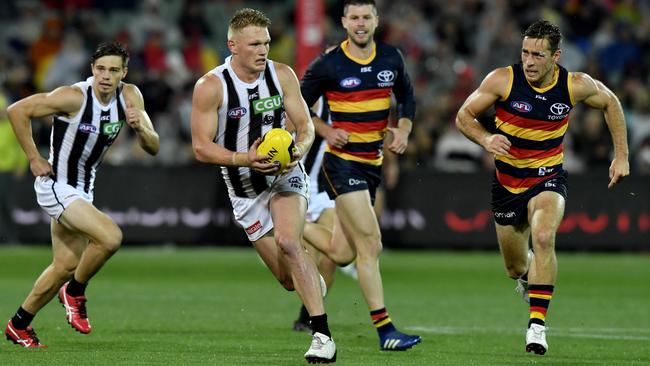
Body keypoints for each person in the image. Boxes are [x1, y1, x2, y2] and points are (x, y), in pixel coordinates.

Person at [455, 20, 629, 355]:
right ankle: (528, 275)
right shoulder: (502, 80)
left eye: (537, 54)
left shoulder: (574, 84)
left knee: (545, 235)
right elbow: (464, 115)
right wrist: (485, 137)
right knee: (515, 267)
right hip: (507, 185)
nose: (529, 61)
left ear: (556, 56)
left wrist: (621, 155)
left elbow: (611, 103)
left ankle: (537, 326)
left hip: (548, 177)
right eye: (525, 53)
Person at [190, 8, 336, 363]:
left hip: (285, 175)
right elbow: (200, 146)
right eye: (254, 43)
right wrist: (246, 159)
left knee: (288, 240)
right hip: (244, 188)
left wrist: (295, 152)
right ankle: (307, 271)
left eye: (267, 42)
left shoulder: (282, 75)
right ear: (232, 45)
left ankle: (322, 336)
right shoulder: (211, 86)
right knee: (290, 281)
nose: (263, 50)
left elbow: (306, 128)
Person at [4, 41, 160, 348]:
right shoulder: (73, 96)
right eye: (100, 69)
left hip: (82, 190)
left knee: (64, 265)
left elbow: (153, 146)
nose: (105, 75)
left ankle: (19, 325)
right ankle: (75, 292)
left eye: (113, 70)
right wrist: (34, 157)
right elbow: (17, 111)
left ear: (123, 73)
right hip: (56, 185)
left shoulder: (130, 97)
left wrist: (141, 128)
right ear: (92, 69)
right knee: (111, 237)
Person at [300, 0, 421, 351]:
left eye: (366, 16)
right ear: (343, 22)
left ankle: (283, 223)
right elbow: (296, 106)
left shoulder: (390, 57)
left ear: (376, 20)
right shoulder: (328, 63)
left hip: (372, 164)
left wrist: (404, 129)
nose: (360, 23)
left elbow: (407, 97)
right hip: (342, 165)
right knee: (371, 243)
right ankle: (386, 331)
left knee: (340, 252)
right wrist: (324, 129)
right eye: (354, 17)